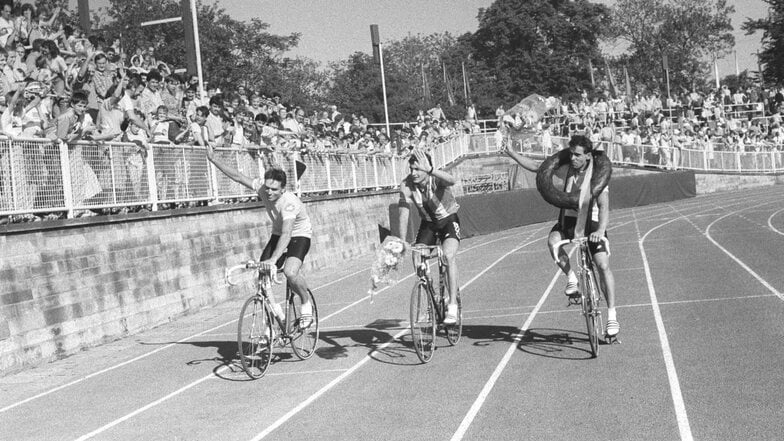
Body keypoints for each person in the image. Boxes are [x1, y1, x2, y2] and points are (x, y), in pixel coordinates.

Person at [502, 135, 619, 338]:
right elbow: (538, 167)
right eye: (571, 154)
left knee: (602, 265)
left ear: (588, 156)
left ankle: (612, 316)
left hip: (592, 223)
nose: (572, 158)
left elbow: (604, 206)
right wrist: (512, 153)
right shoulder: (566, 170)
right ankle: (571, 278)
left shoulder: (597, 176)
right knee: (552, 242)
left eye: (577, 155)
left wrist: (600, 231)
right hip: (569, 220)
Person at [205, 149, 315, 328]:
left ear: (283, 189)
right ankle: (276, 320)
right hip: (278, 234)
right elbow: (239, 177)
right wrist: (214, 159)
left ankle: (305, 304)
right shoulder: (263, 188)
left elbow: (288, 234)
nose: (269, 192)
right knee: (262, 277)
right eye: (267, 188)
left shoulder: (289, 203)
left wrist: (273, 259)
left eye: (274, 189)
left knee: (290, 272)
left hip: (299, 235)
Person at [397, 149, 461, 324]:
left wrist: (431, 169)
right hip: (428, 224)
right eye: (411, 169)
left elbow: (452, 180)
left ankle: (453, 305)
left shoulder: (435, 177)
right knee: (417, 256)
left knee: (448, 256)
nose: (413, 173)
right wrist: (402, 240)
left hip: (448, 219)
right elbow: (403, 213)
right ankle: (429, 289)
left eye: (417, 169)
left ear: (426, 168)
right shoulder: (406, 185)